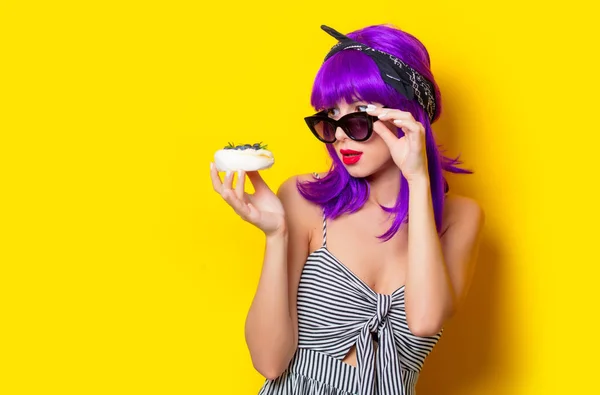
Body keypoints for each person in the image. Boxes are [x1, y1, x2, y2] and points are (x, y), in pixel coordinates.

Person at [209, 24, 485, 395]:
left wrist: (418, 181)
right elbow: (269, 363)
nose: (339, 132)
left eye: (358, 114)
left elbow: (423, 320)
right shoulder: (304, 200)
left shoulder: (460, 218)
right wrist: (276, 236)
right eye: (330, 115)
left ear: (406, 117)